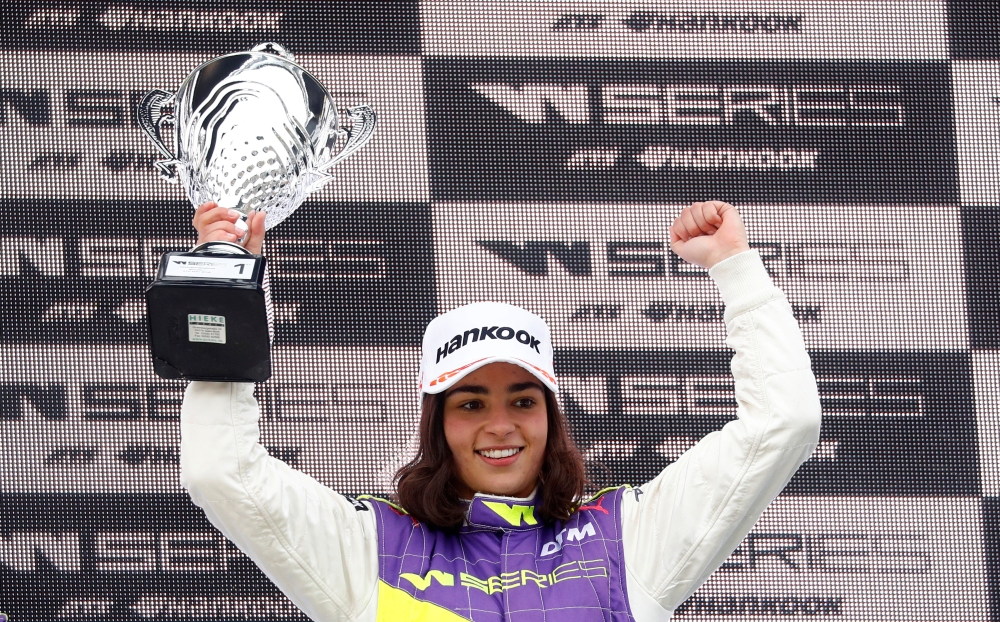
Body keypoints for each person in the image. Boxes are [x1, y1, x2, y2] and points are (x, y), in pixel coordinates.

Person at [181, 200, 821, 621]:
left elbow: (781, 423)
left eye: (522, 399)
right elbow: (220, 471)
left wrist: (735, 270)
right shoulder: (369, 548)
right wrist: (228, 283)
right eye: (470, 402)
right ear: (437, 425)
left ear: (551, 418)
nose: (500, 425)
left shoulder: (626, 539)